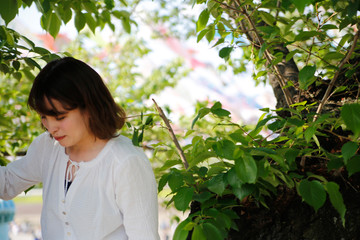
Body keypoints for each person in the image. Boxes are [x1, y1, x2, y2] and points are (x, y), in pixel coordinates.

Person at [0, 57, 160, 239]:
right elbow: (7, 184)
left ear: (89, 106)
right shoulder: (48, 147)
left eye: (60, 117)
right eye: (44, 117)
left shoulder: (126, 162)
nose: (51, 127)